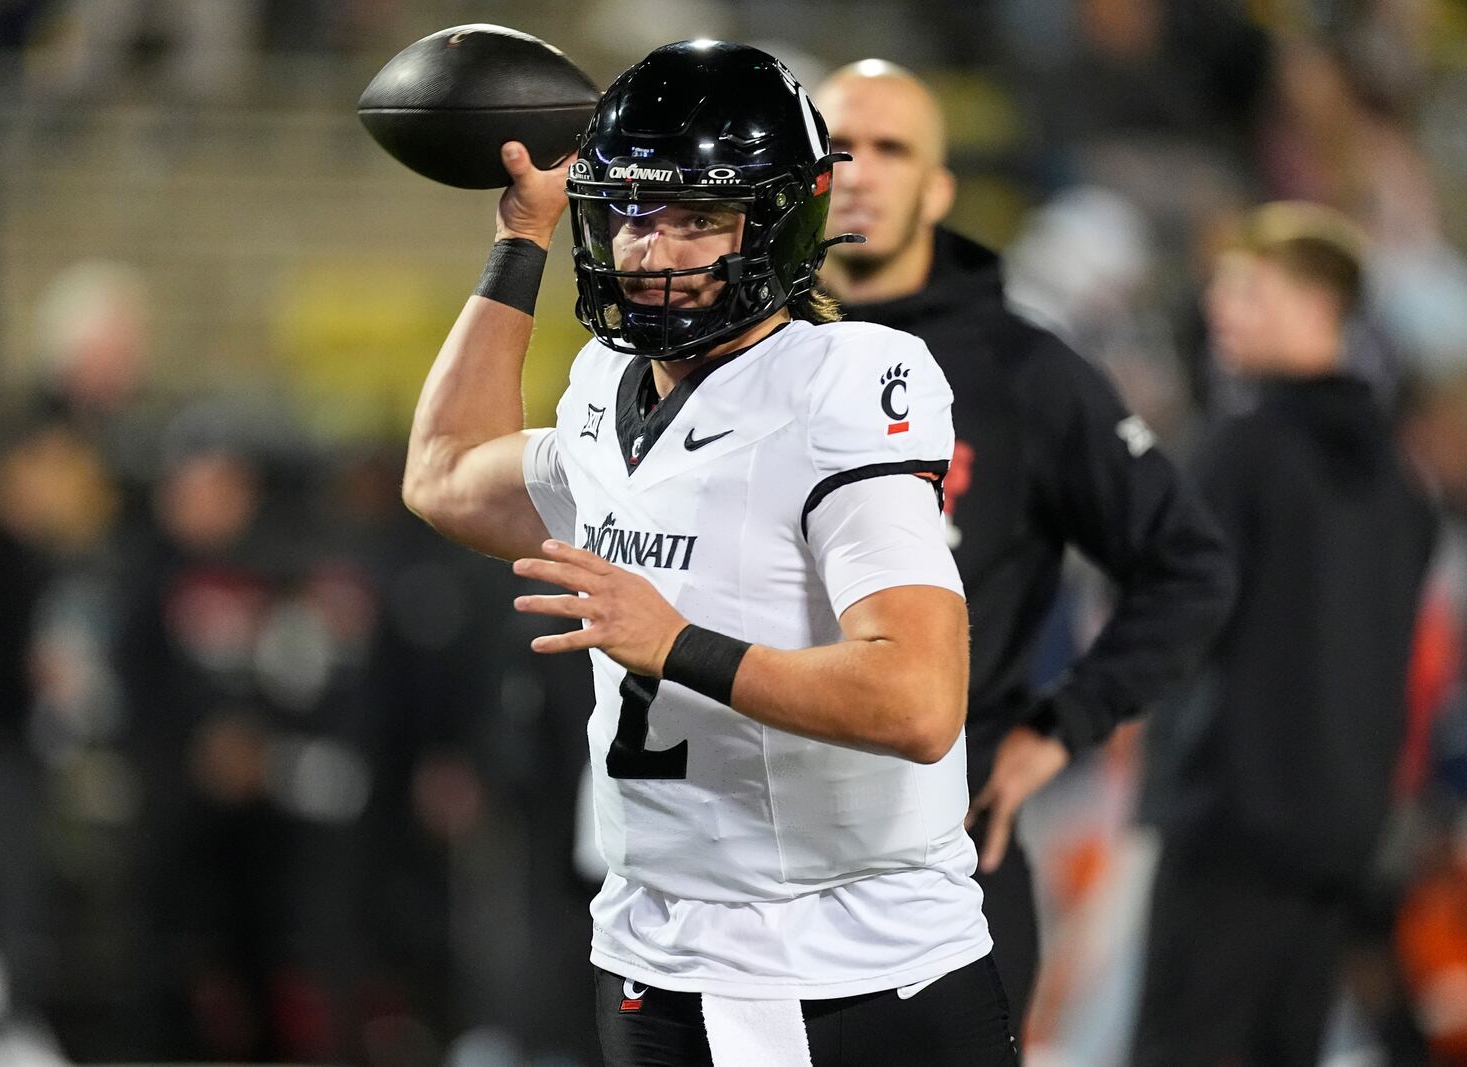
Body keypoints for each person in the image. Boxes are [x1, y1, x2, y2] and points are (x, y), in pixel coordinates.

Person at [403, 40, 1017, 1067]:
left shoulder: (838, 384)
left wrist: (678, 640)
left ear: (778, 222)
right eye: (635, 213)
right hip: (659, 943)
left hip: (838, 957)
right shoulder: (608, 388)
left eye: (696, 217)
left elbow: (916, 696)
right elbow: (445, 471)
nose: (651, 250)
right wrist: (521, 240)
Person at [812, 60, 1237, 1020]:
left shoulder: (1024, 375)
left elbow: (1189, 565)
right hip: (752, 865)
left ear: (941, 185)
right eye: (838, 149)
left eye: (893, 149)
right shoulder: (733, 353)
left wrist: (1062, 727)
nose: (864, 173)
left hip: (948, 855)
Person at [1131, 202, 1436, 1067]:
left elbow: (1176, 614)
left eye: (1247, 290)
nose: (1220, 308)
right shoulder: (1400, 478)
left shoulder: (1245, 448)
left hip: (1227, 825)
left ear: (1316, 306)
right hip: (1342, 833)